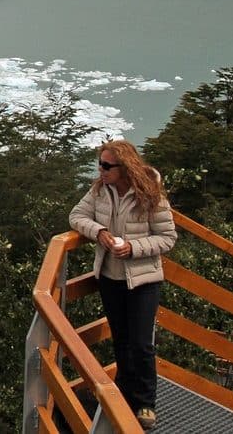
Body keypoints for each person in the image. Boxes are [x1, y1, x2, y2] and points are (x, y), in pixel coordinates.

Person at [69, 139, 176, 430]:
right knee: (122, 341)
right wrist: (99, 231)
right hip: (110, 277)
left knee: (142, 343)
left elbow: (168, 238)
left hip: (142, 279)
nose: (101, 170)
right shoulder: (99, 190)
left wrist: (133, 247)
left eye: (106, 166)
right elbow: (76, 216)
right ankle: (125, 399)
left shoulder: (150, 193)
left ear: (124, 167)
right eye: (100, 164)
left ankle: (145, 405)